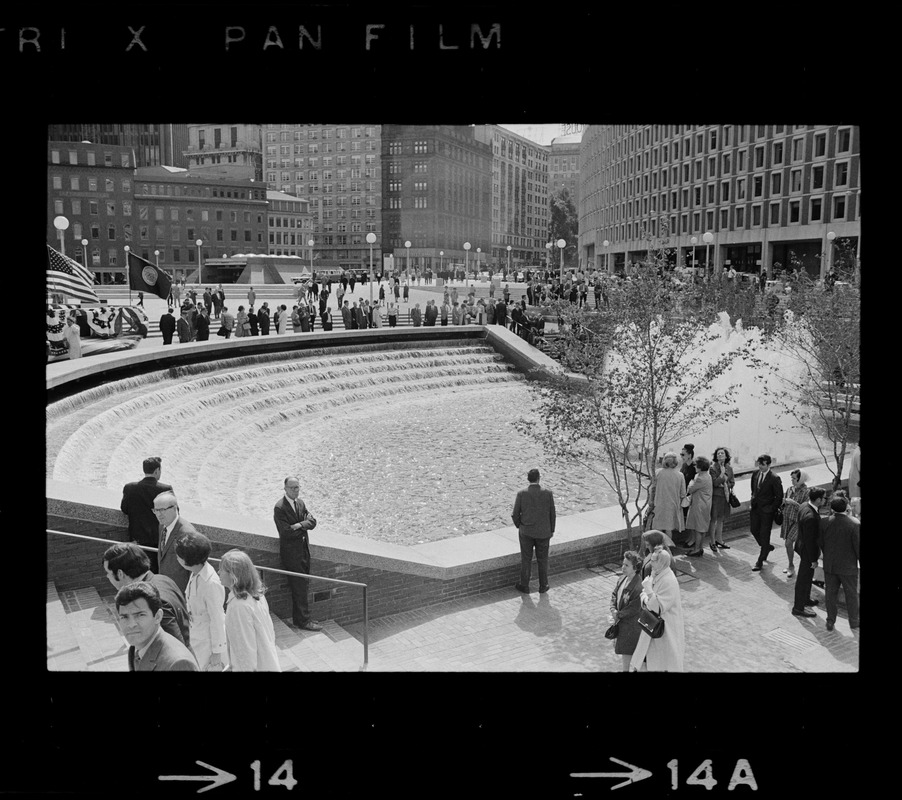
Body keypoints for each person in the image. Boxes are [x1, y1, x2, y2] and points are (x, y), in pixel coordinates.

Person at [102, 542, 190, 647]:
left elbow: (175, 647)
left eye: (108, 573)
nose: (107, 577)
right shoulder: (163, 579)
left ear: (120, 574)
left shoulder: (153, 600)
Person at [218, 550, 282, 672]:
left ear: (233, 575)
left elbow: (245, 650)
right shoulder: (257, 595)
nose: (218, 572)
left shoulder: (239, 606)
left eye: (221, 569)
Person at [273, 477, 323, 631]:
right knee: (299, 586)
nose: (296, 490)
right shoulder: (280, 508)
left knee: (302, 585)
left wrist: (299, 525)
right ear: (285, 488)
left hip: (303, 551)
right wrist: (302, 528)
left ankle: (301, 618)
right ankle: (303, 621)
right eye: (292, 488)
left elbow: (312, 522)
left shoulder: (300, 503)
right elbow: (286, 532)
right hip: (291, 554)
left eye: (297, 487)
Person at [116, 581, 198, 672]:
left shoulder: (178, 663)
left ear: (158, 616)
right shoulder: (136, 648)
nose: (131, 625)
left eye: (140, 615)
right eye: (124, 617)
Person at [175, 531, 226, 671]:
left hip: (207, 641)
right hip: (196, 635)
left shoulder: (211, 583)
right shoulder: (196, 573)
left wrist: (217, 652)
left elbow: (217, 619)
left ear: (187, 560)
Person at [629, 548, 685, 672]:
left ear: (662, 563)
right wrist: (647, 595)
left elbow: (658, 607)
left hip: (665, 632)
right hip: (652, 627)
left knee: (662, 664)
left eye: (654, 560)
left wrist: (648, 591)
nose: (651, 563)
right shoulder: (656, 574)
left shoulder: (668, 581)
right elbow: (644, 596)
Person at [120, 456, 172, 574]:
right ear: (157, 471)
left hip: (137, 538)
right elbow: (173, 513)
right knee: (158, 571)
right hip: (159, 540)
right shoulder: (165, 489)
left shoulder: (130, 488)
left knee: (139, 570)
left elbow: (124, 509)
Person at [511, 468, 556, 593]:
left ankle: (524, 585)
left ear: (528, 479)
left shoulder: (521, 494)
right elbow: (552, 514)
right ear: (539, 478)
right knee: (543, 559)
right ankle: (543, 585)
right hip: (543, 532)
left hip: (526, 532)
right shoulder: (548, 493)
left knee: (526, 559)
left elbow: (515, 514)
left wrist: (520, 526)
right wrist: (551, 530)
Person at [819, 497, 860, 632]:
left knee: (830, 594)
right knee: (851, 595)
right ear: (847, 507)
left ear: (832, 508)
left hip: (830, 565)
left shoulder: (824, 522)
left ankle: (830, 620)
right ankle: (854, 622)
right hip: (848, 567)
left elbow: (821, 543)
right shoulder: (854, 524)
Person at [791, 487, 826, 618]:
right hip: (807, 551)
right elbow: (810, 541)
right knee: (803, 579)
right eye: (823, 498)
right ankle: (798, 607)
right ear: (817, 500)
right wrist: (813, 560)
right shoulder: (811, 517)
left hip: (802, 547)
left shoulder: (804, 505)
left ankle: (805, 599)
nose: (825, 500)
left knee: (807, 577)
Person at [152, 491, 195, 594]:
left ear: (175, 508)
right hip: (164, 588)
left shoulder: (186, 532)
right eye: (156, 510)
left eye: (162, 510)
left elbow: (193, 569)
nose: (158, 514)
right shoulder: (162, 525)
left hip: (180, 592)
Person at [609, 551, 644, 671]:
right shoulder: (622, 579)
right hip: (622, 622)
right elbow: (614, 594)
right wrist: (613, 609)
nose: (623, 567)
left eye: (627, 565)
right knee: (625, 653)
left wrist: (618, 614)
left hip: (632, 626)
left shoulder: (639, 586)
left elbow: (634, 607)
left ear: (635, 568)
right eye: (623, 564)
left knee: (631, 653)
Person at [749, 454, 784, 572]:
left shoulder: (774, 478)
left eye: (762, 464)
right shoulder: (755, 474)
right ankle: (766, 547)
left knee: (765, 534)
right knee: (754, 530)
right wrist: (752, 500)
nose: (760, 466)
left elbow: (779, 497)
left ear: (768, 465)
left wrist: (771, 509)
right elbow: (753, 490)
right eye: (759, 464)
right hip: (755, 508)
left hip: (766, 511)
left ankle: (760, 560)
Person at [779, 469, 811, 577]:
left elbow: (805, 508)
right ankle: (790, 565)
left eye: (794, 478)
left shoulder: (807, 492)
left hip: (798, 521)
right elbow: (784, 502)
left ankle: (793, 566)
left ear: (800, 479)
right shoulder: (789, 489)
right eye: (791, 478)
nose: (792, 480)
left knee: (789, 542)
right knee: (789, 544)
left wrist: (793, 502)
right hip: (788, 519)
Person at [652, 452, 686, 544]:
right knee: (669, 529)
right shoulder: (680, 475)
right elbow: (683, 493)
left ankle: (657, 549)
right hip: (672, 505)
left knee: (658, 528)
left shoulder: (658, 472)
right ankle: (667, 548)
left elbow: (652, 489)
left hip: (658, 504)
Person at [684, 456, 713, 557]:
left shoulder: (700, 478)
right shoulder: (707, 476)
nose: (695, 466)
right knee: (702, 527)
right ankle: (699, 548)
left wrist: (690, 484)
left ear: (700, 467)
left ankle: (697, 549)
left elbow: (690, 489)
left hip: (699, 505)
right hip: (705, 504)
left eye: (696, 465)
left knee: (698, 528)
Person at [708, 447, 735, 550]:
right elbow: (714, 483)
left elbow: (732, 482)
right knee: (713, 519)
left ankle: (719, 540)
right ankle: (712, 541)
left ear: (726, 456)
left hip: (725, 496)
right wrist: (722, 474)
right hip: (716, 497)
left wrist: (725, 484)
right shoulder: (713, 468)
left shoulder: (730, 468)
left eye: (722, 453)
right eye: (718, 454)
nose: (720, 455)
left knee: (721, 519)